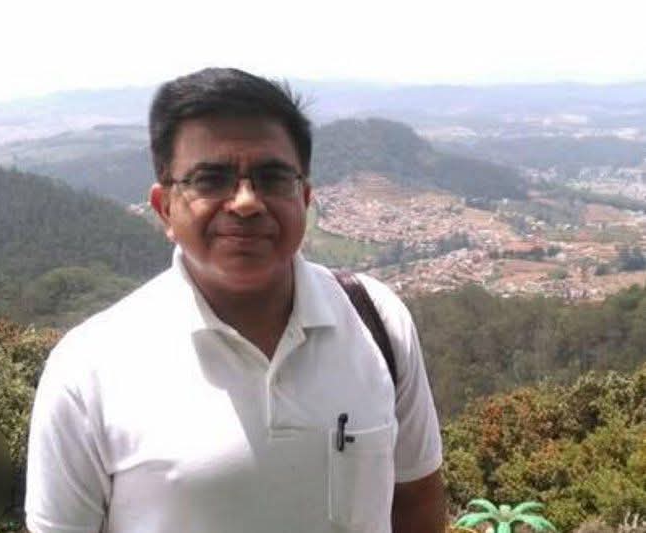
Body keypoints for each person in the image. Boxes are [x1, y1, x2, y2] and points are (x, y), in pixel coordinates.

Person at [24, 68, 445, 533]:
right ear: (164, 208)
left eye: (272, 178)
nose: (246, 202)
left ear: (304, 198)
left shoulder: (375, 321)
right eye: (211, 179)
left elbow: (417, 498)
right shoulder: (89, 369)